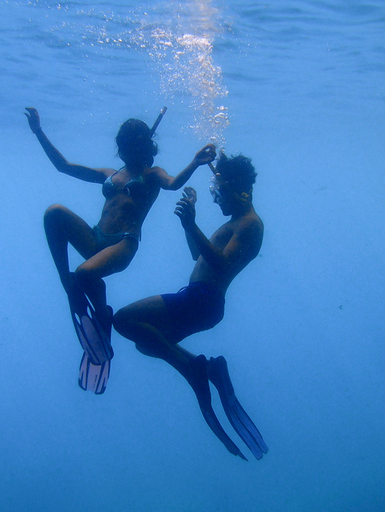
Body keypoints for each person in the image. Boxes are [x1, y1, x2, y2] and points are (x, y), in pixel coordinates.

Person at [24, 107, 216, 393]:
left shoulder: (152, 174)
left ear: (137, 146)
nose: (121, 150)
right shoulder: (110, 173)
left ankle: (102, 315)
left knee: (85, 273)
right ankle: (69, 286)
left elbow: (173, 184)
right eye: (120, 145)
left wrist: (195, 163)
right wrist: (39, 132)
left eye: (126, 145)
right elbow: (63, 166)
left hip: (124, 243)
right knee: (54, 214)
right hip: (95, 238)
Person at [113, 152, 268, 460]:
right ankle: (206, 369)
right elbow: (195, 255)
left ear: (241, 190)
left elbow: (221, 266)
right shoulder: (236, 222)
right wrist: (189, 223)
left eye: (219, 193)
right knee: (147, 344)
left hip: (202, 299)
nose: (216, 200)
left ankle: (192, 369)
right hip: (201, 300)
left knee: (123, 321)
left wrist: (193, 224)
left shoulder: (250, 224)